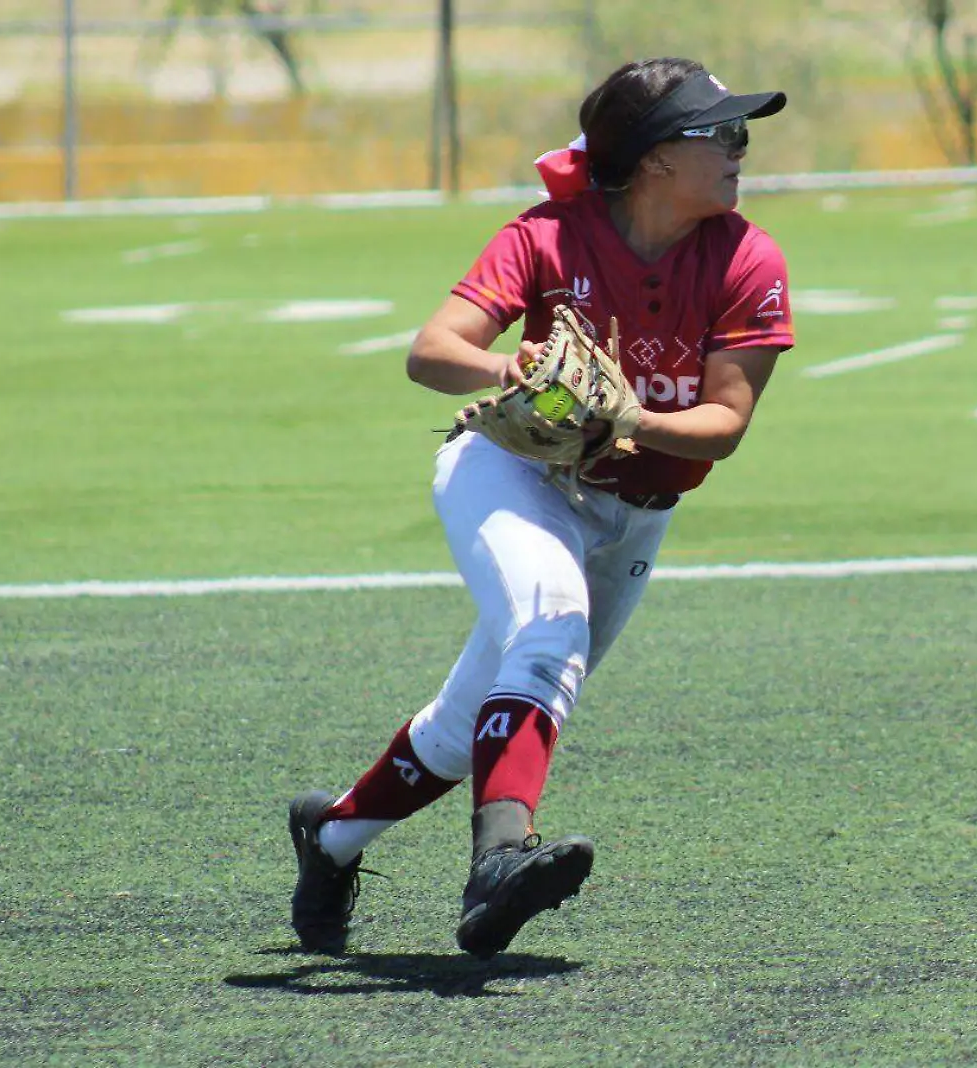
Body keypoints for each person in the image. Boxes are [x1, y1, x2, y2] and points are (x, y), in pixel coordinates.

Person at [285, 57, 794, 958]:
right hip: (512, 475)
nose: (739, 149)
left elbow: (722, 427)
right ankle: (500, 859)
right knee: (550, 626)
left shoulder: (747, 256)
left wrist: (627, 415)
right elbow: (432, 351)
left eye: (739, 132)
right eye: (718, 132)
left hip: (634, 509)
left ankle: (330, 839)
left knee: (466, 721)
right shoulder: (547, 236)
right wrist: (507, 368)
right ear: (650, 160)